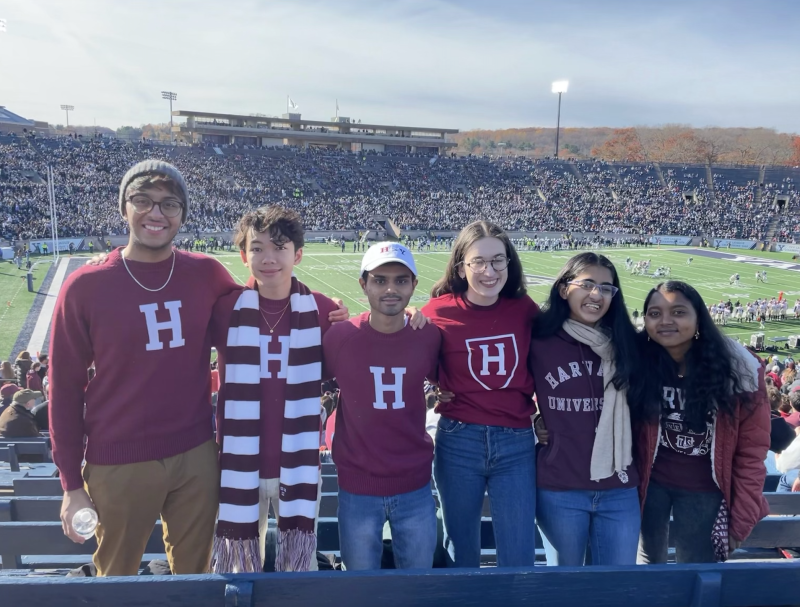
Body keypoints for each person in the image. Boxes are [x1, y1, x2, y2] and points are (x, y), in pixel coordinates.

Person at [49, 160, 240, 577]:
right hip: (118, 458)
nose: (156, 213)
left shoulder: (205, 273)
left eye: (169, 204)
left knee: (197, 578)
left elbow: (262, 308)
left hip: (195, 454)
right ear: (124, 208)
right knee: (116, 580)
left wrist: (329, 310)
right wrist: (70, 485)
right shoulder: (85, 286)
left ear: (183, 215)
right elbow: (63, 389)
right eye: (143, 200)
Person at [212, 205, 350, 573]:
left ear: (298, 254)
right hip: (239, 464)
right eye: (257, 248)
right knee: (239, 568)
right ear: (243, 256)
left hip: (299, 464)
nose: (268, 258)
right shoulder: (225, 308)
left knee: (298, 569)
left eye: (280, 247)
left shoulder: (322, 310)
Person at [422, 220, 539, 568]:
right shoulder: (436, 311)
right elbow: (412, 356)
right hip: (459, 439)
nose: (490, 270)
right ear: (461, 266)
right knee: (462, 553)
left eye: (498, 260)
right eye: (479, 262)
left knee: (519, 553)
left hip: (517, 441)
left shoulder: (524, 309)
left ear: (509, 262)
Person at [630, 281, 770, 564]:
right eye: (655, 313)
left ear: (699, 318)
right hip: (648, 484)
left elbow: (752, 452)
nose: (665, 321)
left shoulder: (738, 369)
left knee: (694, 569)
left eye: (678, 312)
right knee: (646, 563)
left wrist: (741, 519)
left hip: (705, 490)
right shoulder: (636, 361)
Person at [324, 242, 441, 571]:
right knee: (361, 591)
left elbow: (447, 383)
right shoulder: (340, 337)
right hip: (357, 487)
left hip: (415, 485)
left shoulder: (428, 337)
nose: (391, 289)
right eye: (380, 280)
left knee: (417, 587)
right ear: (363, 284)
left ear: (414, 285)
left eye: (401, 280)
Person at [529, 253, 640, 566]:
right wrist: (533, 419)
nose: (597, 295)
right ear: (565, 288)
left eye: (607, 288)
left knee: (617, 588)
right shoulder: (537, 338)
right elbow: (505, 388)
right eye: (588, 284)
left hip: (619, 487)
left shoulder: (627, 343)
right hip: (560, 487)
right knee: (566, 589)